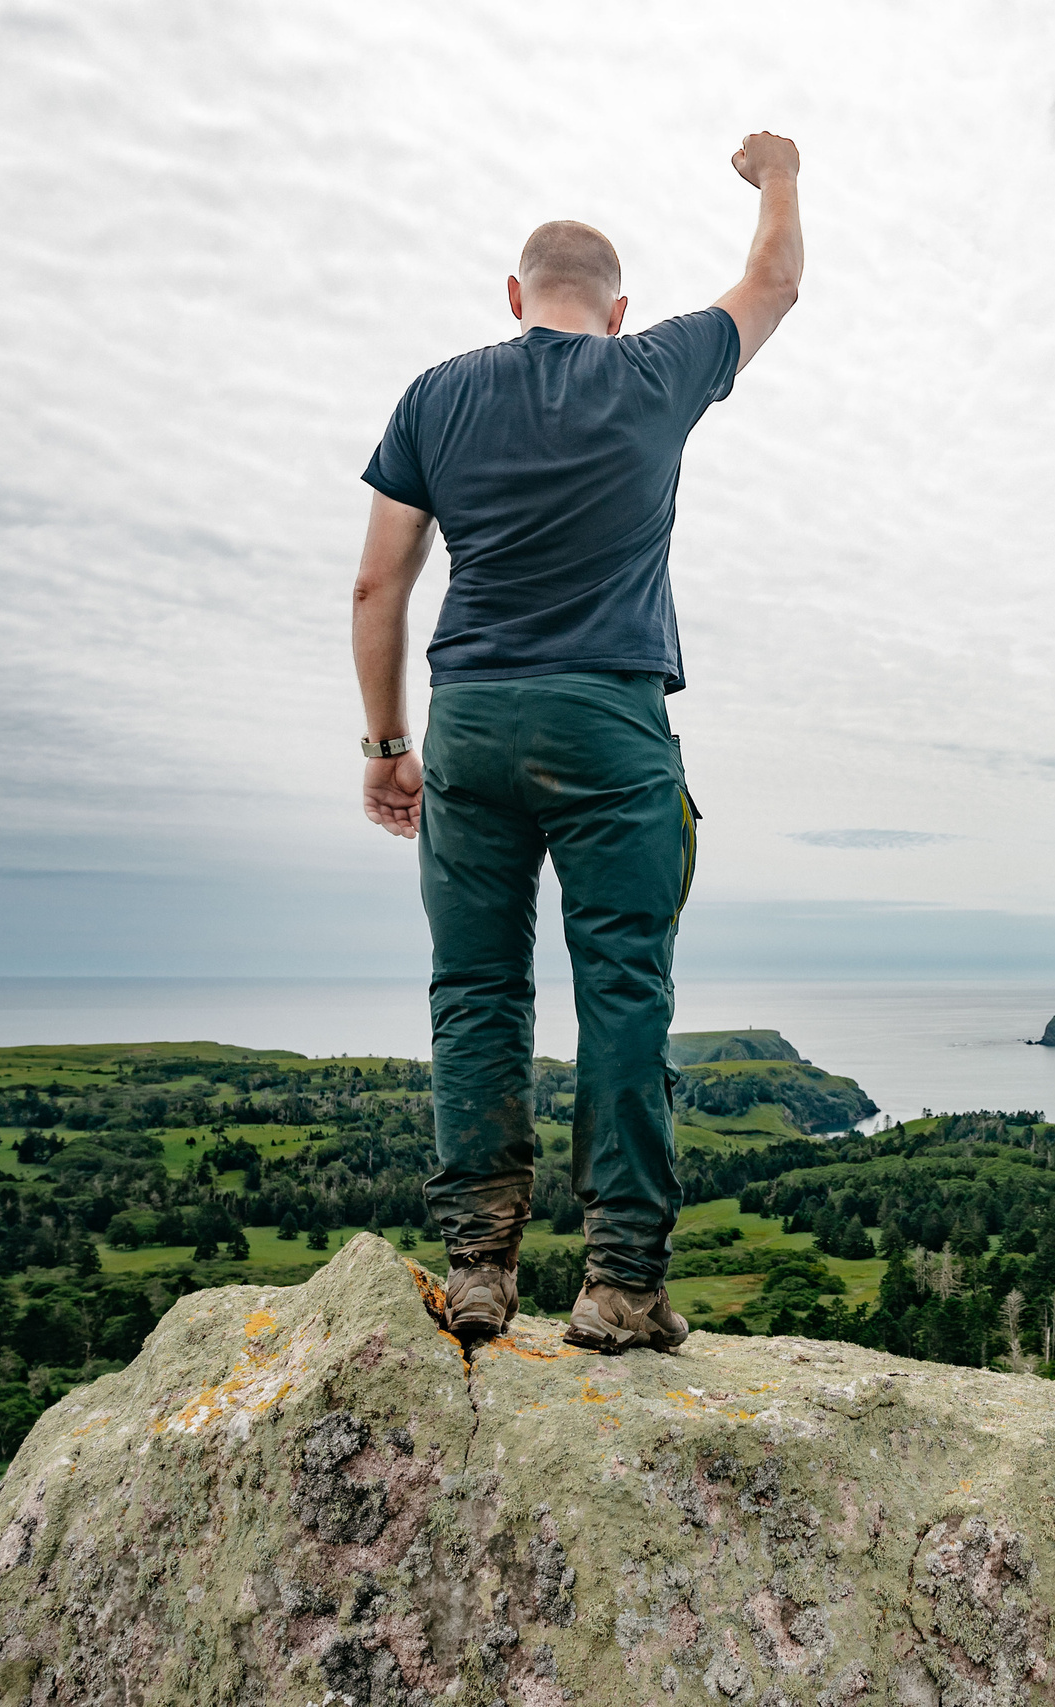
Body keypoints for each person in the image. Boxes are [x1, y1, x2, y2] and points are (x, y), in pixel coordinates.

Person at [348, 132, 803, 1350]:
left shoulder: (435, 395)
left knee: (475, 990)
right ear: (617, 311)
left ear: (515, 296)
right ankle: (618, 1286)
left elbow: (379, 586)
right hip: (607, 721)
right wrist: (778, 176)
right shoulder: (654, 369)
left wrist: (386, 745)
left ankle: (479, 1272)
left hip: (470, 721)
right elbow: (772, 285)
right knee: (623, 993)